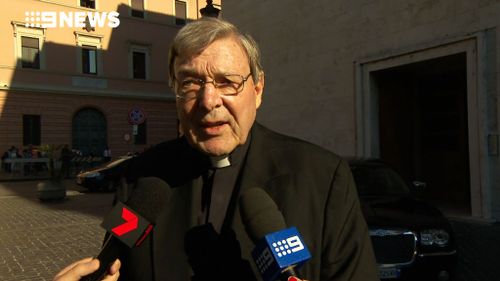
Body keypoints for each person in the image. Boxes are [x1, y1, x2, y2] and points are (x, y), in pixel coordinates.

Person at [54, 18, 378, 281]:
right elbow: (114, 263)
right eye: (190, 83)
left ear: (258, 89)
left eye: (227, 82)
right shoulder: (141, 178)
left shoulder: (323, 178)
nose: (208, 102)